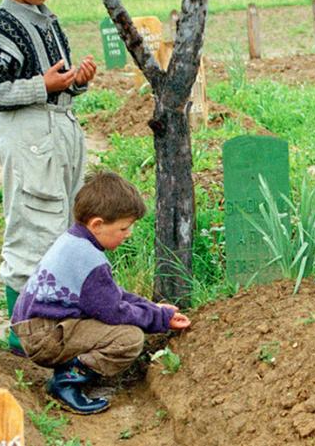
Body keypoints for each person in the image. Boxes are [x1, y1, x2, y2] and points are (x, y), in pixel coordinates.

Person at [0, 0, 98, 354]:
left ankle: (55, 325)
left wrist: (74, 82)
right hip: (28, 136)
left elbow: (54, 80)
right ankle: (21, 336)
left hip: (59, 129)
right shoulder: (2, 26)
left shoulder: (45, 20)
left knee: (63, 225)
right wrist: (41, 85)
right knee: (31, 227)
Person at [11, 171, 192, 414]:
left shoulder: (74, 242)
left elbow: (113, 294)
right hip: (44, 337)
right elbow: (114, 311)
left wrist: (155, 310)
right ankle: (66, 382)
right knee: (128, 339)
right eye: (123, 228)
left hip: (40, 328)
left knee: (119, 328)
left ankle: (72, 371)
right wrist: (158, 320)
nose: (128, 234)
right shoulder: (88, 259)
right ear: (97, 224)